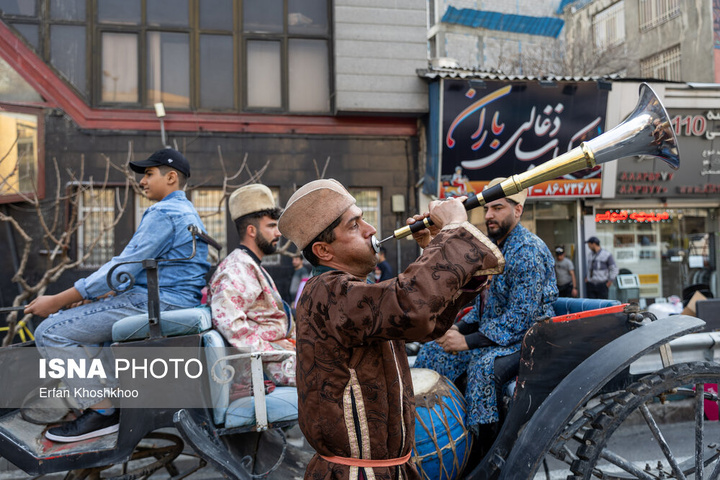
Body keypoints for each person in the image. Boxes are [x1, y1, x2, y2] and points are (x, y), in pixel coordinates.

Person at [277, 179, 503, 480]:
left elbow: (425, 322)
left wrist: (434, 247)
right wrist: (452, 231)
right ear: (323, 250)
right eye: (355, 225)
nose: (371, 230)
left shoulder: (350, 290)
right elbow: (410, 305)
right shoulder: (327, 293)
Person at [26, 148, 210, 442]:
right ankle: (114, 402)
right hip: (173, 300)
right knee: (94, 329)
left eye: (149, 174)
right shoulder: (188, 213)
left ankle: (100, 412)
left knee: (50, 332)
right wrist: (101, 294)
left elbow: (123, 265)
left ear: (171, 177)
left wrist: (56, 301)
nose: (142, 181)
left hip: (157, 302)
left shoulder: (165, 212)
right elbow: (138, 271)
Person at [414, 177, 558, 440]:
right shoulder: (495, 249)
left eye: (498, 208)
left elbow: (521, 317)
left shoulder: (528, 250)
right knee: (433, 352)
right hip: (499, 336)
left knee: (483, 368)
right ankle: (442, 434)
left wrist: (466, 342)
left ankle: (487, 448)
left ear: (518, 210)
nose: (489, 215)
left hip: (529, 339)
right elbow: (483, 308)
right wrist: (454, 330)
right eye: (487, 209)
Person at [209, 184, 295, 387]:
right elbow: (232, 328)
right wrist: (277, 349)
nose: (278, 232)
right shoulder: (236, 269)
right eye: (271, 226)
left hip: (278, 360)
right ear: (251, 230)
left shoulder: (248, 263)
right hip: (265, 370)